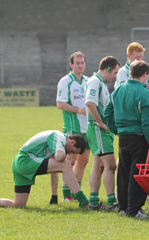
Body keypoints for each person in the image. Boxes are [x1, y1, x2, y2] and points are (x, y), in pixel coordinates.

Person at [105, 60, 149, 219]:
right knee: (138, 175)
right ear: (145, 74)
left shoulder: (118, 90)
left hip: (123, 137)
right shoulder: (144, 93)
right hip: (139, 137)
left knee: (123, 173)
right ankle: (134, 210)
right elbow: (147, 123)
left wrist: (116, 129)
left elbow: (107, 114)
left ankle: (123, 207)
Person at [0, 130, 88, 208]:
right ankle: (83, 200)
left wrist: (54, 196)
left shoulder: (58, 143)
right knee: (66, 164)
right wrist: (64, 155)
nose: (70, 154)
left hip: (18, 163)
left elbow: (54, 170)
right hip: (25, 160)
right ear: (72, 142)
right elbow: (60, 157)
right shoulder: (58, 137)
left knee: (19, 205)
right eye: (72, 151)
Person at [53, 51, 90, 204]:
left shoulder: (88, 81)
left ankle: (77, 191)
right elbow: (60, 104)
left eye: (82, 63)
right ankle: (66, 193)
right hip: (72, 128)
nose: (80, 65)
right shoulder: (65, 81)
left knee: (84, 160)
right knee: (71, 161)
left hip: (87, 128)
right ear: (71, 65)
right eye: (77, 63)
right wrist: (78, 110)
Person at [85, 56, 120, 211]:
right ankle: (112, 201)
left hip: (101, 130)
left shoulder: (101, 83)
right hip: (98, 129)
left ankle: (94, 201)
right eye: (115, 73)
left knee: (98, 164)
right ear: (108, 69)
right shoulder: (95, 81)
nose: (115, 76)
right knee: (110, 165)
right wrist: (99, 122)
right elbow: (90, 102)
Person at [114, 42, 149, 113]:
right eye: (137, 57)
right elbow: (123, 94)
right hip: (129, 113)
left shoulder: (146, 71)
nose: (140, 60)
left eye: (141, 56)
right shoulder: (122, 72)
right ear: (128, 56)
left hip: (144, 110)